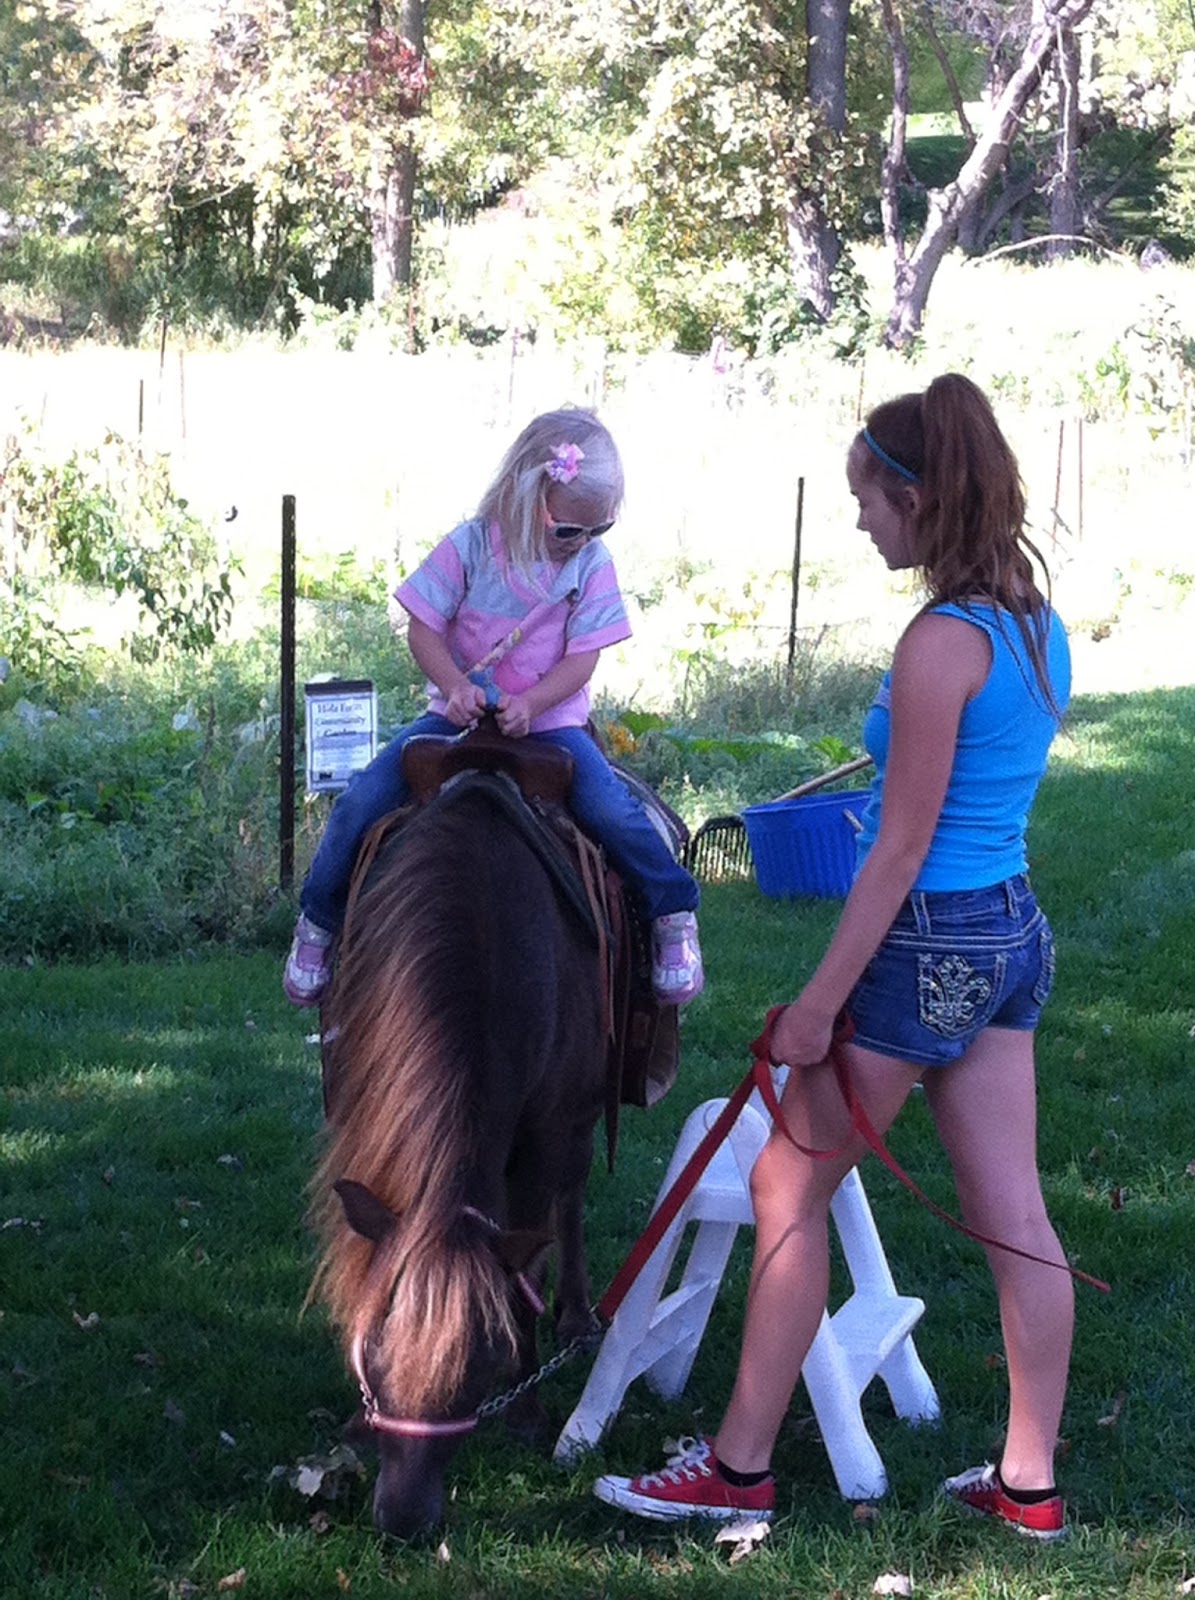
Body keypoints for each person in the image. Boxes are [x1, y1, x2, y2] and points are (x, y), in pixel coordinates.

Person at [593, 373, 1075, 1542]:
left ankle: (737, 1467)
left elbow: (901, 847)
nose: (858, 519)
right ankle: (1028, 1485)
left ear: (920, 499)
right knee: (1015, 1213)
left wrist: (816, 1005)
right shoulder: (1032, 621)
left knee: (783, 1185)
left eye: (869, 498)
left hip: (927, 941)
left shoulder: (938, 643)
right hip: (1009, 931)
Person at [283, 406, 703, 1010]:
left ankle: (672, 912)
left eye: (601, 528)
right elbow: (424, 628)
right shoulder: (471, 546)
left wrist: (532, 703)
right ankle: (319, 921)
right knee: (363, 799)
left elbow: (582, 659)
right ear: (527, 494)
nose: (583, 542)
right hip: (453, 722)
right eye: (569, 530)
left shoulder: (590, 566)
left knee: (611, 811)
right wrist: (454, 685)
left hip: (550, 726)